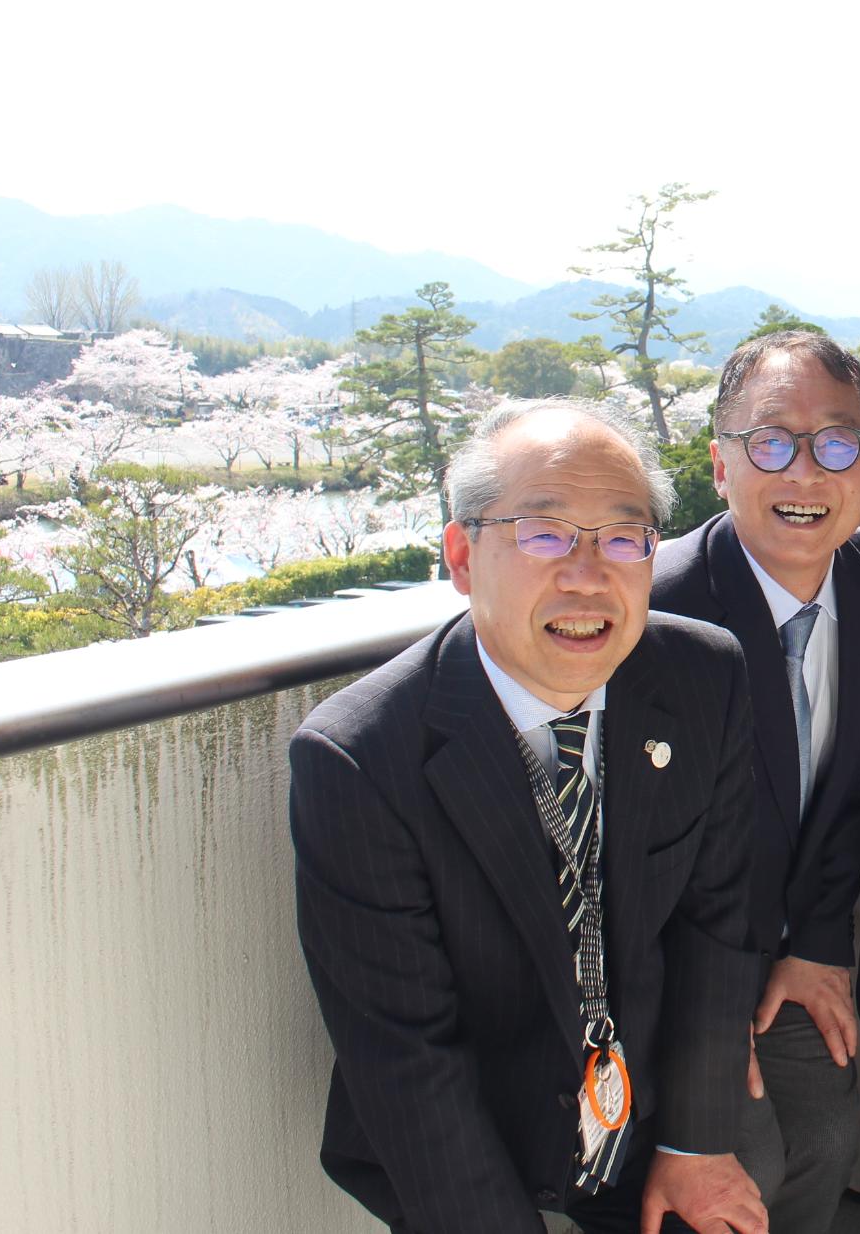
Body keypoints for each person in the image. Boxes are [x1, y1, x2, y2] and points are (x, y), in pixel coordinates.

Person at [289, 399, 766, 1234]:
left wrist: (696, 1144)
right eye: (544, 535)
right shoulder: (362, 758)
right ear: (463, 555)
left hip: (652, 1112)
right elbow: (406, 1059)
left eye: (624, 537)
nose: (588, 574)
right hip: (476, 1135)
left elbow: (718, 922)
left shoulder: (703, 677)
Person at [651, 332, 860, 1234]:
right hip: (673, 962)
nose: (805, 473)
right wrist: (709, 1017)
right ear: (720, 465)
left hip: (801, 929)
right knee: (742, 1173)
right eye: (770, 442)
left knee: (824, 1139)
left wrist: (816, 943)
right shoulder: (659, 606)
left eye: (837, 444)